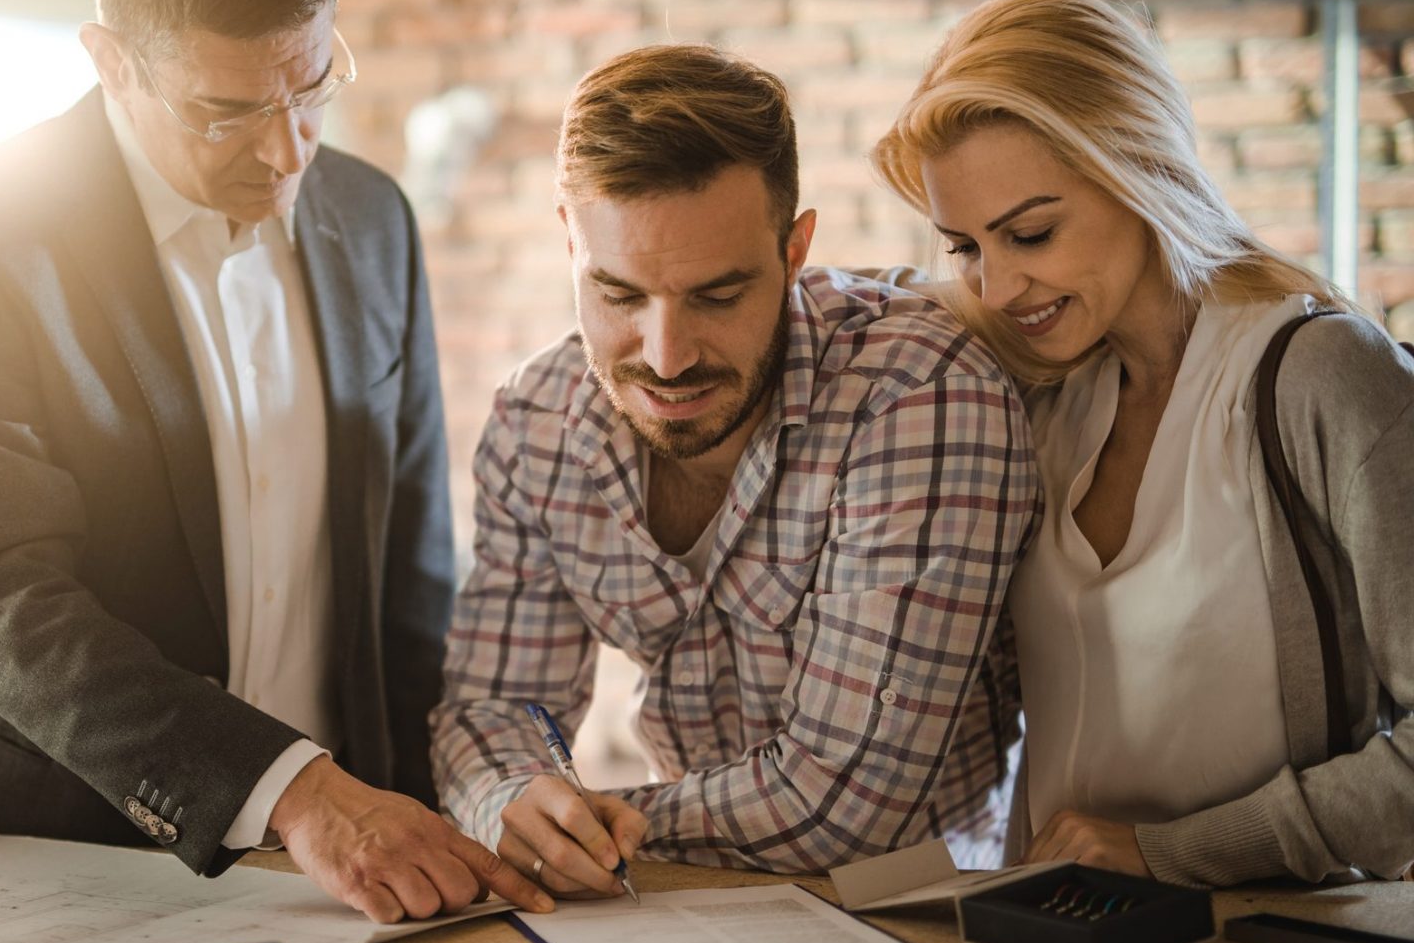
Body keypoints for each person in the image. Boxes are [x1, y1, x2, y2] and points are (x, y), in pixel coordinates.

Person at [0, 0, 550, 923]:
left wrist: (457, 801)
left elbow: (408, 582)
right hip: (50, 837)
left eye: (315, 85)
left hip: (331, 873)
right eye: (227, 110)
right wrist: (292, 791)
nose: (287, 152)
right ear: (110, 61)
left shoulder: (373, 218)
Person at [429, 44, 1040, 892]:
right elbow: (494, 707)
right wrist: (513, 793)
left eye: (717, 295)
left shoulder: (917, 393)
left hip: (923, 918)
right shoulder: (536, 423)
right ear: (569, 241)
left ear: (795, 250)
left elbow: (845, 804)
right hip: (686, 911)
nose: (668, 357)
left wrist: (598, 825)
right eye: (619, 295)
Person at [870, 0, 1414, 886]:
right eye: (965, 246)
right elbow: (860, 309)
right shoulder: (1039, 390)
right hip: (1046, 936)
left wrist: (1173, 853)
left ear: (1139, 170)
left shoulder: (1321, 376)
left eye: (1031, 233)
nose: (998, 285)